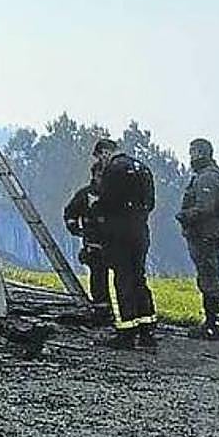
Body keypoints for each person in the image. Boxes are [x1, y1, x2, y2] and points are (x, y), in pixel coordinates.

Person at [91, 138, 158, 349]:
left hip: (119, 233)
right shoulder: (142, 168)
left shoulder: (113, 170)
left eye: (99, 157)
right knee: (139, 278)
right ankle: (147, 331)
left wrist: (96, 209)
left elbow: (107, 202)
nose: (100, 162)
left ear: (105, 152)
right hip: (140, 231)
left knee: (122, 280)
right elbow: (151, 203)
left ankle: (126, 332)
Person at [175, 138, 219, 339]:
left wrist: (184, 215)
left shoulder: (208, 177)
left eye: (193, 152)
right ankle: (212, 323)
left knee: (209, 279)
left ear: (200, 152)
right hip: (207, 234)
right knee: (208, 277)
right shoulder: (210, 174)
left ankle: (213, 325)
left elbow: (206, 207)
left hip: (205, 234)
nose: (190, 157)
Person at [63, 162, 113, 326]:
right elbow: (70, 212)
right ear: (94, 175)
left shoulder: (115, 193)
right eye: (100, 175)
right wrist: (76, 229)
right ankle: (101, 311)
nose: (102, 179)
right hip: (94, 244)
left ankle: (124, 312)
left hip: (115, 243)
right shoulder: (85, 194)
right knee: (98, 277)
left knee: (122, 278)